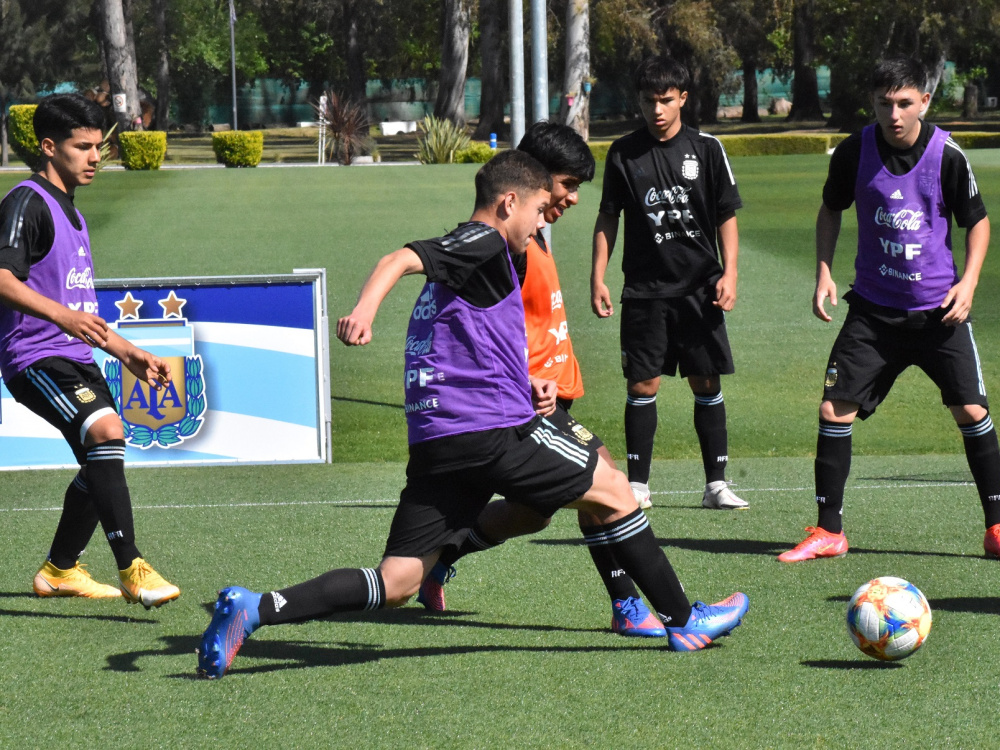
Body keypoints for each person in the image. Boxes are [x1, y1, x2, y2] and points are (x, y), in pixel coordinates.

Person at [197, 150, 749, 679]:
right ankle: (683, 620)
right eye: (537, 212)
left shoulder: (481, 265)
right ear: (509, 202)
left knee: (397, 580)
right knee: (614, 490)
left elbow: (466, 340)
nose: (539, 226)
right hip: (491, 431)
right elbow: (400, 258)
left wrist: (524, 378)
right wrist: (364, 310)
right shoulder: (483, 241)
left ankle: (255, 608)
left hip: (439, 442)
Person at [416, 122, 665, 638]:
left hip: (550, 399)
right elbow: (476, 324)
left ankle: (439, 557)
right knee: (606, 483)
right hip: (527, 405)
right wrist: (526, 380)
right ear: (532, 181)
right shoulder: (507, 247)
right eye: (567, 185)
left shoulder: (534, 239)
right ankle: (632, 607)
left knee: (533, 515)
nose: (572, 198)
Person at [778, 57, 1000, 563]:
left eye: (904, 103)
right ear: (873, 103)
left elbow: (978, 222)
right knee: (834, 409)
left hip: (939, 313)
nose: (894, 114)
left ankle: (996, 527)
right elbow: (831, 208)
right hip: (874, 313)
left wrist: (968, 283)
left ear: (924, 100)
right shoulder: (855, 151)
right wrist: (824, 271)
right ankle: (829, 532)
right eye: (884, 104)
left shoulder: (947, 155)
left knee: (971, 410)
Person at [0, 94, 180, 607]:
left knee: (100, 464)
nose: (95, 157)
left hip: (74, 357)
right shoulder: (26, 202)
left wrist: (126, 351)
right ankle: (133, 569)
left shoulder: (73, 216)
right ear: (49, 147)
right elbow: (1, 278)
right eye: (83, 147)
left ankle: (60, 569)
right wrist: (63, 317)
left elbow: (80, 307)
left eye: (98, 146)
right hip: (33, 357)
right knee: (107, 432)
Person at [591, 55, 747, 511]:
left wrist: (731, 272)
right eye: (647, 101)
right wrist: (598, 277)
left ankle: (715, 485)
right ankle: (637, 486)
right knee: (642, 386)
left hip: (700, 288)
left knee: (706, 380)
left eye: (664, 100)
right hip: (644, 291)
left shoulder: (707, 149)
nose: (656, 110)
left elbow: (726, 216)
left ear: (682, 98)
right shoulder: (623, 152)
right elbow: (607, 217)